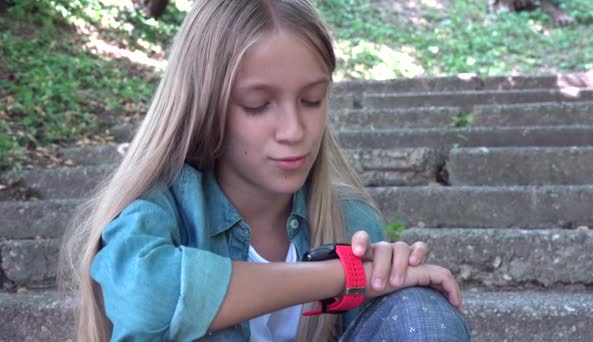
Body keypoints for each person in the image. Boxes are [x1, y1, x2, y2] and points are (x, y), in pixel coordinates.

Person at [59, 0, 471, 341]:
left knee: (420, 311)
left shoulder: (351, 219)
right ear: (203, 106)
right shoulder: (161, 210)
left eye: (311, 100)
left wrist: (390, 280)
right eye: (257, 105)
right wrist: (340, 276)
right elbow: (146, 298)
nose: (294, 131)